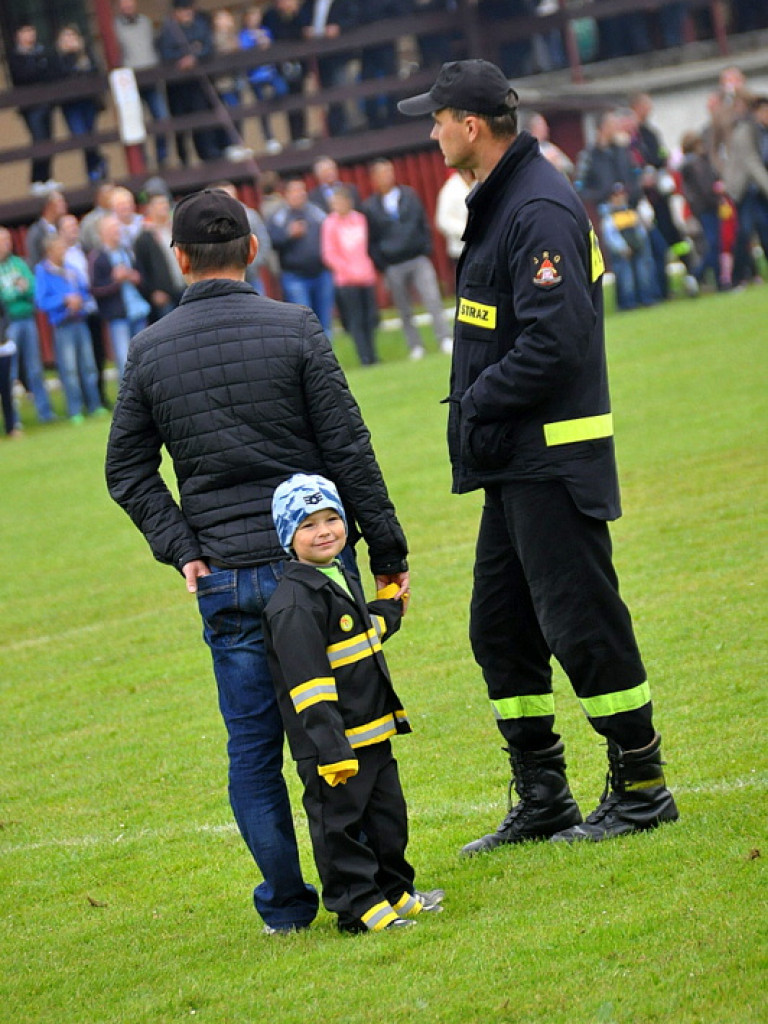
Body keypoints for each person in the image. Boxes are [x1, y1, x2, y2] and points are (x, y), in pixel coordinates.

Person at [104, 187, 409, 934]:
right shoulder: (295, 325)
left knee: (253, 751)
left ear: (179, 259)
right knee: (342, 734)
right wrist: (387, 552)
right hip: (310, 576)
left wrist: (183, 548)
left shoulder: (148, 349)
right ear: (252, 250)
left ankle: (286, 906)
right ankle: (368, 890)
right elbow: (348, 448)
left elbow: (127, 471)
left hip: (227, 580)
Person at [398, 59, 678, 848]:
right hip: (513, 462)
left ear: (471, 126)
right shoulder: (501, 201)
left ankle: (643, 783)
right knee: (501, 630)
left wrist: (478, 403)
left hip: (551, 457)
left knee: (581, 623)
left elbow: (558, 342)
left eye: (437, 117)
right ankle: (544, 793)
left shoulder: (540, 207)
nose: (432, 130)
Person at [264, 472, 442, 933]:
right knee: (339, 827)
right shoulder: (295, 604)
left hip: (372, 730)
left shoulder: (336, 576)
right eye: (308, 525)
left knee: (387, 818)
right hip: (334, 746)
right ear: (289, 537)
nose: (324, 532)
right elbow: (309, 685)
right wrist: (330, 749)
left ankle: (395, 891)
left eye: (331, 519)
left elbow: (357, 634)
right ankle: (358, 906)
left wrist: (388, 609)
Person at [363, 158, 452, 359]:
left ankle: (444, 338)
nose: (387, 176)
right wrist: (383, 263)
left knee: (432, 299)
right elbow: (372, 240)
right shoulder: (370, 206)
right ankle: (415, 346)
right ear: (374, 179)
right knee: (404, 308)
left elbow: (423, 223)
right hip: (393, 264)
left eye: (389, 171)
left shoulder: (409, 195)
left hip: (417, 257)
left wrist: (424, 248)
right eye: (382, 173)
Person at [35, 233, 104, 424]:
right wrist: (64, 300)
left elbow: (84, 290)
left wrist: (79, 299)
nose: (63, 251)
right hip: (63, 325)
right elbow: (41, 301)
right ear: (49, 251)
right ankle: (74, 409)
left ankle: (94, 405)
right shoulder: (43, 271)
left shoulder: (71, 269)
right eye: (59, 248)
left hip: (79, 321)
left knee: (88, 365)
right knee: (70, 369)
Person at [0, 226, 56, 424]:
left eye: (8, 240)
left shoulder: (19, 263)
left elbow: (32, 288)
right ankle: (13, 420)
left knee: (35, 368)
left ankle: (45, 413)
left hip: (27, 320)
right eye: (3, 240)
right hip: (7, 326)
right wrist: (16, 292)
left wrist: (21, 291)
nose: (7, 244)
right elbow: (3, 297)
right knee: (10, 373)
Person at [156, 0, 222, 164]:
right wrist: (185, 56)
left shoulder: (200, 26)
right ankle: (183, 157)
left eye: (188, 10)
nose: (186, 14)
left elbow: (208, 47)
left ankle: (207, 153)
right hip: (177, 87)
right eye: (182, 11)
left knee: (202, 117)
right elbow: (165, 53)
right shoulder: (168, 31)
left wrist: (193, 57)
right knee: (180, 122)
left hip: (197, 83)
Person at [321, 185, 379, 365]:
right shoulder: (329, 224)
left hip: (366, 276)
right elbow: (329, 254)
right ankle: (364, 357)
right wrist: (346, 269)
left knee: (370, 317)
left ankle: (373, 353)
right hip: (346, 280)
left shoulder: (360, 220)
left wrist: (368, 267)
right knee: (356, 319)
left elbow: (368, 246)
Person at [267, 177, 334, 335]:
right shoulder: (279, 216)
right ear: (286, 194)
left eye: (302, 190)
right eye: (295, 191)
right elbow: (271, 240)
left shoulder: (316, 212)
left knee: (325, 322)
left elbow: (331, 230)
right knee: (305, 323)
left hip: (322, 273)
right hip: (295, 277)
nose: (299, 194)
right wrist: (288, 234)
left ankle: (328, 357)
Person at [90, 213, 150, 381]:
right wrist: (115, 281)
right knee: (125, 361)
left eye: (117, 228)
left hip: (138, 310)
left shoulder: (128, 251)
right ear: (103, 234)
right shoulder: (98, 258)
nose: (117, 232)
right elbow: (95, 289)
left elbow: (142, 277)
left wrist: (134, 277)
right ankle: (129, 400)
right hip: (118, 316)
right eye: (113, 229)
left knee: (145, 358)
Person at [113, 0, 170, 169]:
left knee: (161, 118)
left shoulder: (145, 22)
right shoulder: (114, 27)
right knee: (135, 121)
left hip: (151, 77)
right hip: (130, 82)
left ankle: (162, 158)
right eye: (123, 4)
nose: (127, 7)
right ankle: (143, 160)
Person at [7, 24, 62, 195]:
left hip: (46, 102)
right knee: (38, 140)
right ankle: (37, 180)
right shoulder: (15, 56)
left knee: (48, 140)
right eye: (25, 31)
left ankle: (47, 178)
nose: (30, 35)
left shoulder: (41, 52)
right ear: (18, 34)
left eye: (32, 30)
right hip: (30, 106)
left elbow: (51, 73)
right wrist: (37, 67)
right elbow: (23, 77)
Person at [723, 95, 768, 290]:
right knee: (745, 232)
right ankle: (736, 277)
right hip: (744, 190)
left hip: (758, 189)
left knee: (765, 230)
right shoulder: (746, 131)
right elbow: (752, 164)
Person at [54, 24, 108, 184]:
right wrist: (70, 56)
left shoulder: (87, 55)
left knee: (91, 135)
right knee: (80, 136)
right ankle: (97, 164)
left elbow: (95, 73)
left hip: (88, 102)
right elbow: (62, 76)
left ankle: (94, 171)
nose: (69, 40)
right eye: (66, 37)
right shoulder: (57, 59)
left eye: (72, 36)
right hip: (71, 105)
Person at [300, 0, 360, 138]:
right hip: (320, 59)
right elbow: (301, 22)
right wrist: (305, 30)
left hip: (339, 55)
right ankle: (335, 130)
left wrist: (339, 28)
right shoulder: (309, 4)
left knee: (341, 90)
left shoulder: (343, 3)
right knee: (327, 95)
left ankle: (347, 129)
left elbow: (353, 19)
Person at [599, 182, 656, 311]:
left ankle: (646, 297)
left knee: (643, 273)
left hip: (638, 247)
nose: (620, 198)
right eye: (617, 195)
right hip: (622, 251)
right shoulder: (609, 216)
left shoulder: (631, 211)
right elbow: (610, 236)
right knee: (625, 278)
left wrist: (640, 242)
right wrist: (622, 248)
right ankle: (628, 302)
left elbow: (640, 229)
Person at [238, 5, 287, 155]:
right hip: (255, 77)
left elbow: (272, 46)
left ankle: (272, 103)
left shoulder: (265, 31)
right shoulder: (244, 35)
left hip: (270, 73)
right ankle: (269, 138)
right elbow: (244, 50)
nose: (254, 19)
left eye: (256, 16)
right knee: (261, 108)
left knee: (282, 89)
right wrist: (256, 44)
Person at [262, 0, 310, 147]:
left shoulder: (301, 13)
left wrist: (294, 14)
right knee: (279, 97)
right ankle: (272, 138)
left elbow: (304, 32)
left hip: (298, 63)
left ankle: (300, 135)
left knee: (298, 97)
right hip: (277, 65)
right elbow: (269, 36)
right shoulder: (270, 15)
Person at [133, 192, 187, 321]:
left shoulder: (176, 230)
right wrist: (152, 292)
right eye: (159, 204)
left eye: (165, 203)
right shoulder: (144, 238)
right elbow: (142, 268)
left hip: (184, 288)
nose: (164, 207)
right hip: (164, 294)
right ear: (150, 209)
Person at [435, 167, 474, 270]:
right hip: (460, 250)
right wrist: (467, 231)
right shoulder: (450, 189)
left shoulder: (477, 184)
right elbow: (443, 221)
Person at [25, 190, 68, 268]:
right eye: (59, 202)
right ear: (49, 206)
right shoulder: (36, 232)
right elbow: (34, 259)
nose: (64, 205)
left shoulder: (62, 227)